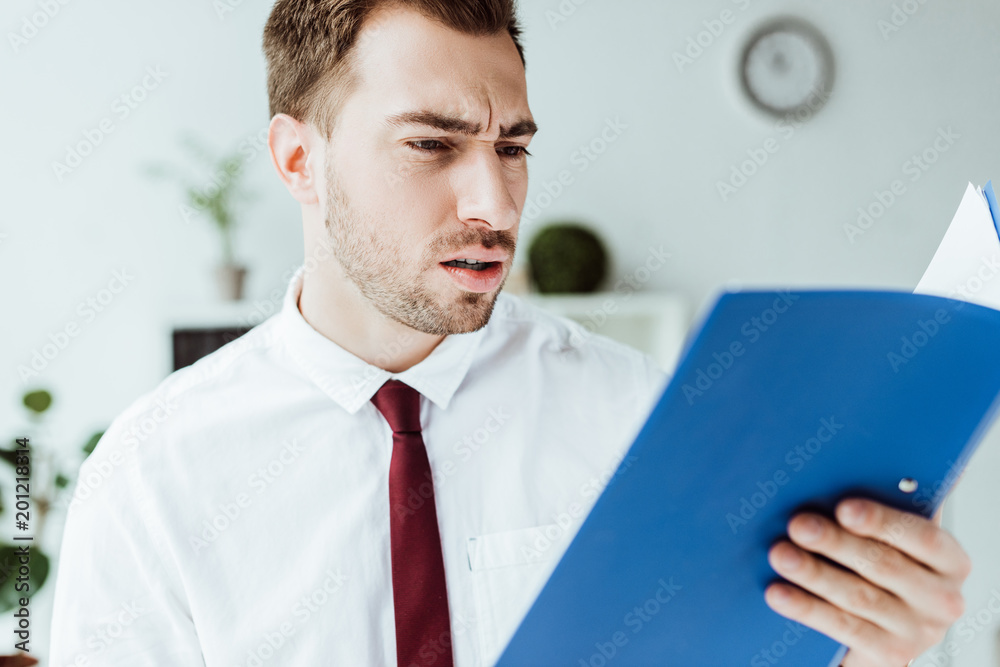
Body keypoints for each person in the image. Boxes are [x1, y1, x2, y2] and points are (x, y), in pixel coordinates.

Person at [48, 1, 971, 665]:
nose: (495, 203)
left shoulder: (643, 419)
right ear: (300, 160)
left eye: (513, 147)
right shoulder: (151, 480)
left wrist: (873, 651)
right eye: (431, 144)